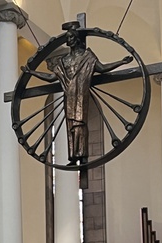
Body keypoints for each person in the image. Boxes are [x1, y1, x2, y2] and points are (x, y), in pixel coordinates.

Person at [29, 21, 132, 163]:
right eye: (67, 38)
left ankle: (82, 156)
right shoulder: (64, 61)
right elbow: (52, 77)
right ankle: (73, 157)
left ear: (77, 39)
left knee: (80, 125)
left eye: (71, 37)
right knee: (71, 127)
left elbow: (102, 68)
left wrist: (121, 62)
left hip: (80, 96)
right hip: (69, 97)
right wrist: (31, 72)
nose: (68, 40)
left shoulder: (87, 56)